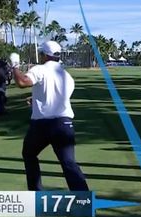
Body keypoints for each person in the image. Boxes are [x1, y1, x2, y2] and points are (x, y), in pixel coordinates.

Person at [9, 41, 89, 191]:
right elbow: (58, 98)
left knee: (29, 154)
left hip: (42, 126)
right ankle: (83, 201)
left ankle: (36, 194)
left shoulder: (40, 69)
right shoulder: (67, 76)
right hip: (64, 124)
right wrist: (36, 99)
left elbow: (21, 82)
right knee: (69, 162)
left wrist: (15, 66)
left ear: (45, 55)